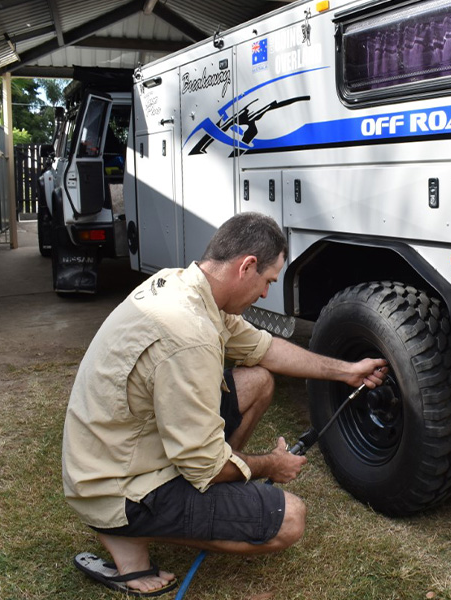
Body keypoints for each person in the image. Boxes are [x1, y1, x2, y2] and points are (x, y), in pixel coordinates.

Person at [62, 212, 387, 596]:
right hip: (117, 486)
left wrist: (347, 371)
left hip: (113, 452)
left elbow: (266, 350)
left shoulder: (189, 288)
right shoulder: (189, 334)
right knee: (291, 520)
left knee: (258, 381)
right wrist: (272, 464)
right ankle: (127, 531)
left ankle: (196, 505)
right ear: (246, 266)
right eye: (267, 281)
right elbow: (206, 465)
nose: (266, 293)